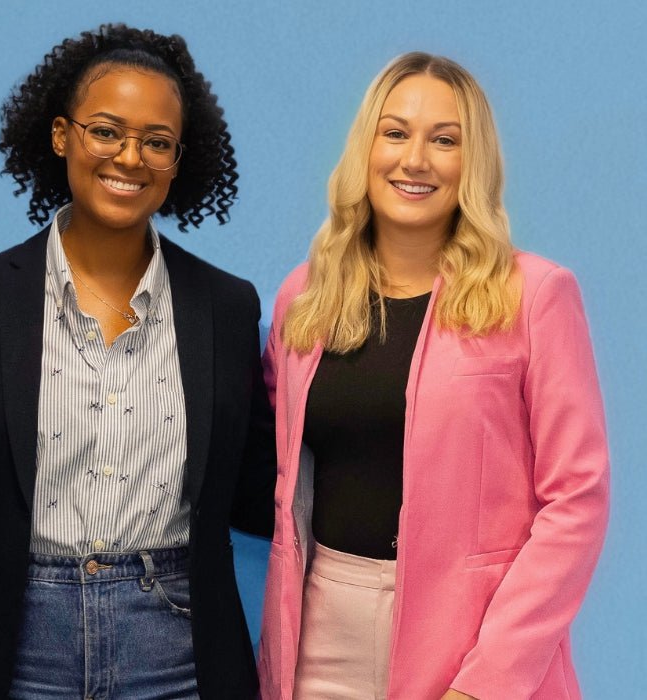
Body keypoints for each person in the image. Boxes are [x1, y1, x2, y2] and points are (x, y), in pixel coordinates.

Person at [0, 23, 275, 699]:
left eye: (157, 141)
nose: (129, 157)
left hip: (175, 645)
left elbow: (260, 488)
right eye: (106, 130)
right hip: (10, 642)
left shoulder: (226, 308)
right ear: (61, 136)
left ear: (178, 159)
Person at [258, 52, 609, 699]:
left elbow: (577, 501)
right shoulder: (302, 299)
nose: (414, 159)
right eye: (395, 133)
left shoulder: (534, 296)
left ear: (471, 163)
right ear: (367, 148)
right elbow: (275, 472)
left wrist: (488, 681)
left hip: (471, 645)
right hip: (319, 638)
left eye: (444, 140)